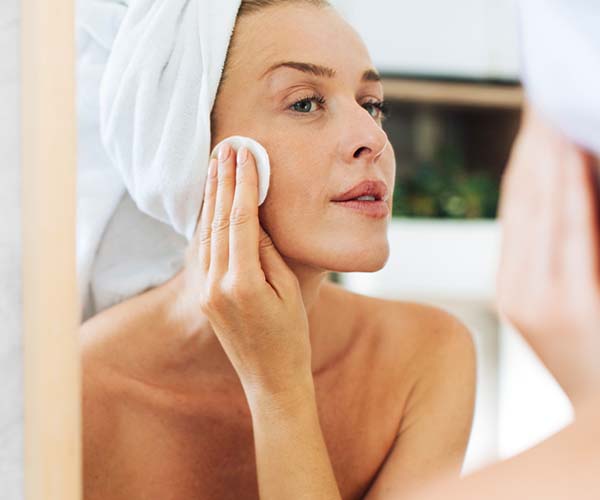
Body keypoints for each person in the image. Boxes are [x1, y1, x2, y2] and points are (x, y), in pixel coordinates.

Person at [81, 2, 477, 499]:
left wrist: (280, 393)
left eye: (371, 104)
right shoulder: (74, 395)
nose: (372, 138)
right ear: (186, 147)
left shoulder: (426, 356)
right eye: (305, 103)